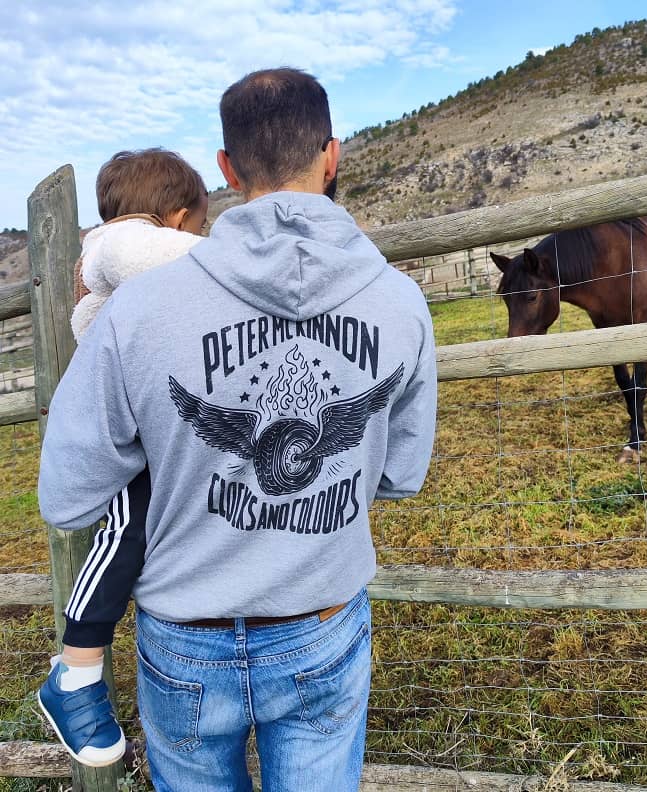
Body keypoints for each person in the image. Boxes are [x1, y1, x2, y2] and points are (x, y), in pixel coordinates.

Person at [38, 67, 437, 792]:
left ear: (226, 167)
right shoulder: (401, 304)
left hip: (186, 636)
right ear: (332, 155)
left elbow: (67, 497)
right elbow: (400, 475)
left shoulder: (137, 311)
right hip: (321, 618)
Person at [37, 148, 208, 767]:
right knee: (125, 529)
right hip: (128, 428)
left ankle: (81, 665)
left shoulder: (121, 254)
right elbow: (178, 262)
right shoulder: (120, 244)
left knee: (146, 529)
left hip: (150, 415)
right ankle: (76, 668)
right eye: (199, 228)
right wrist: (248, 253)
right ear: (178, 217)